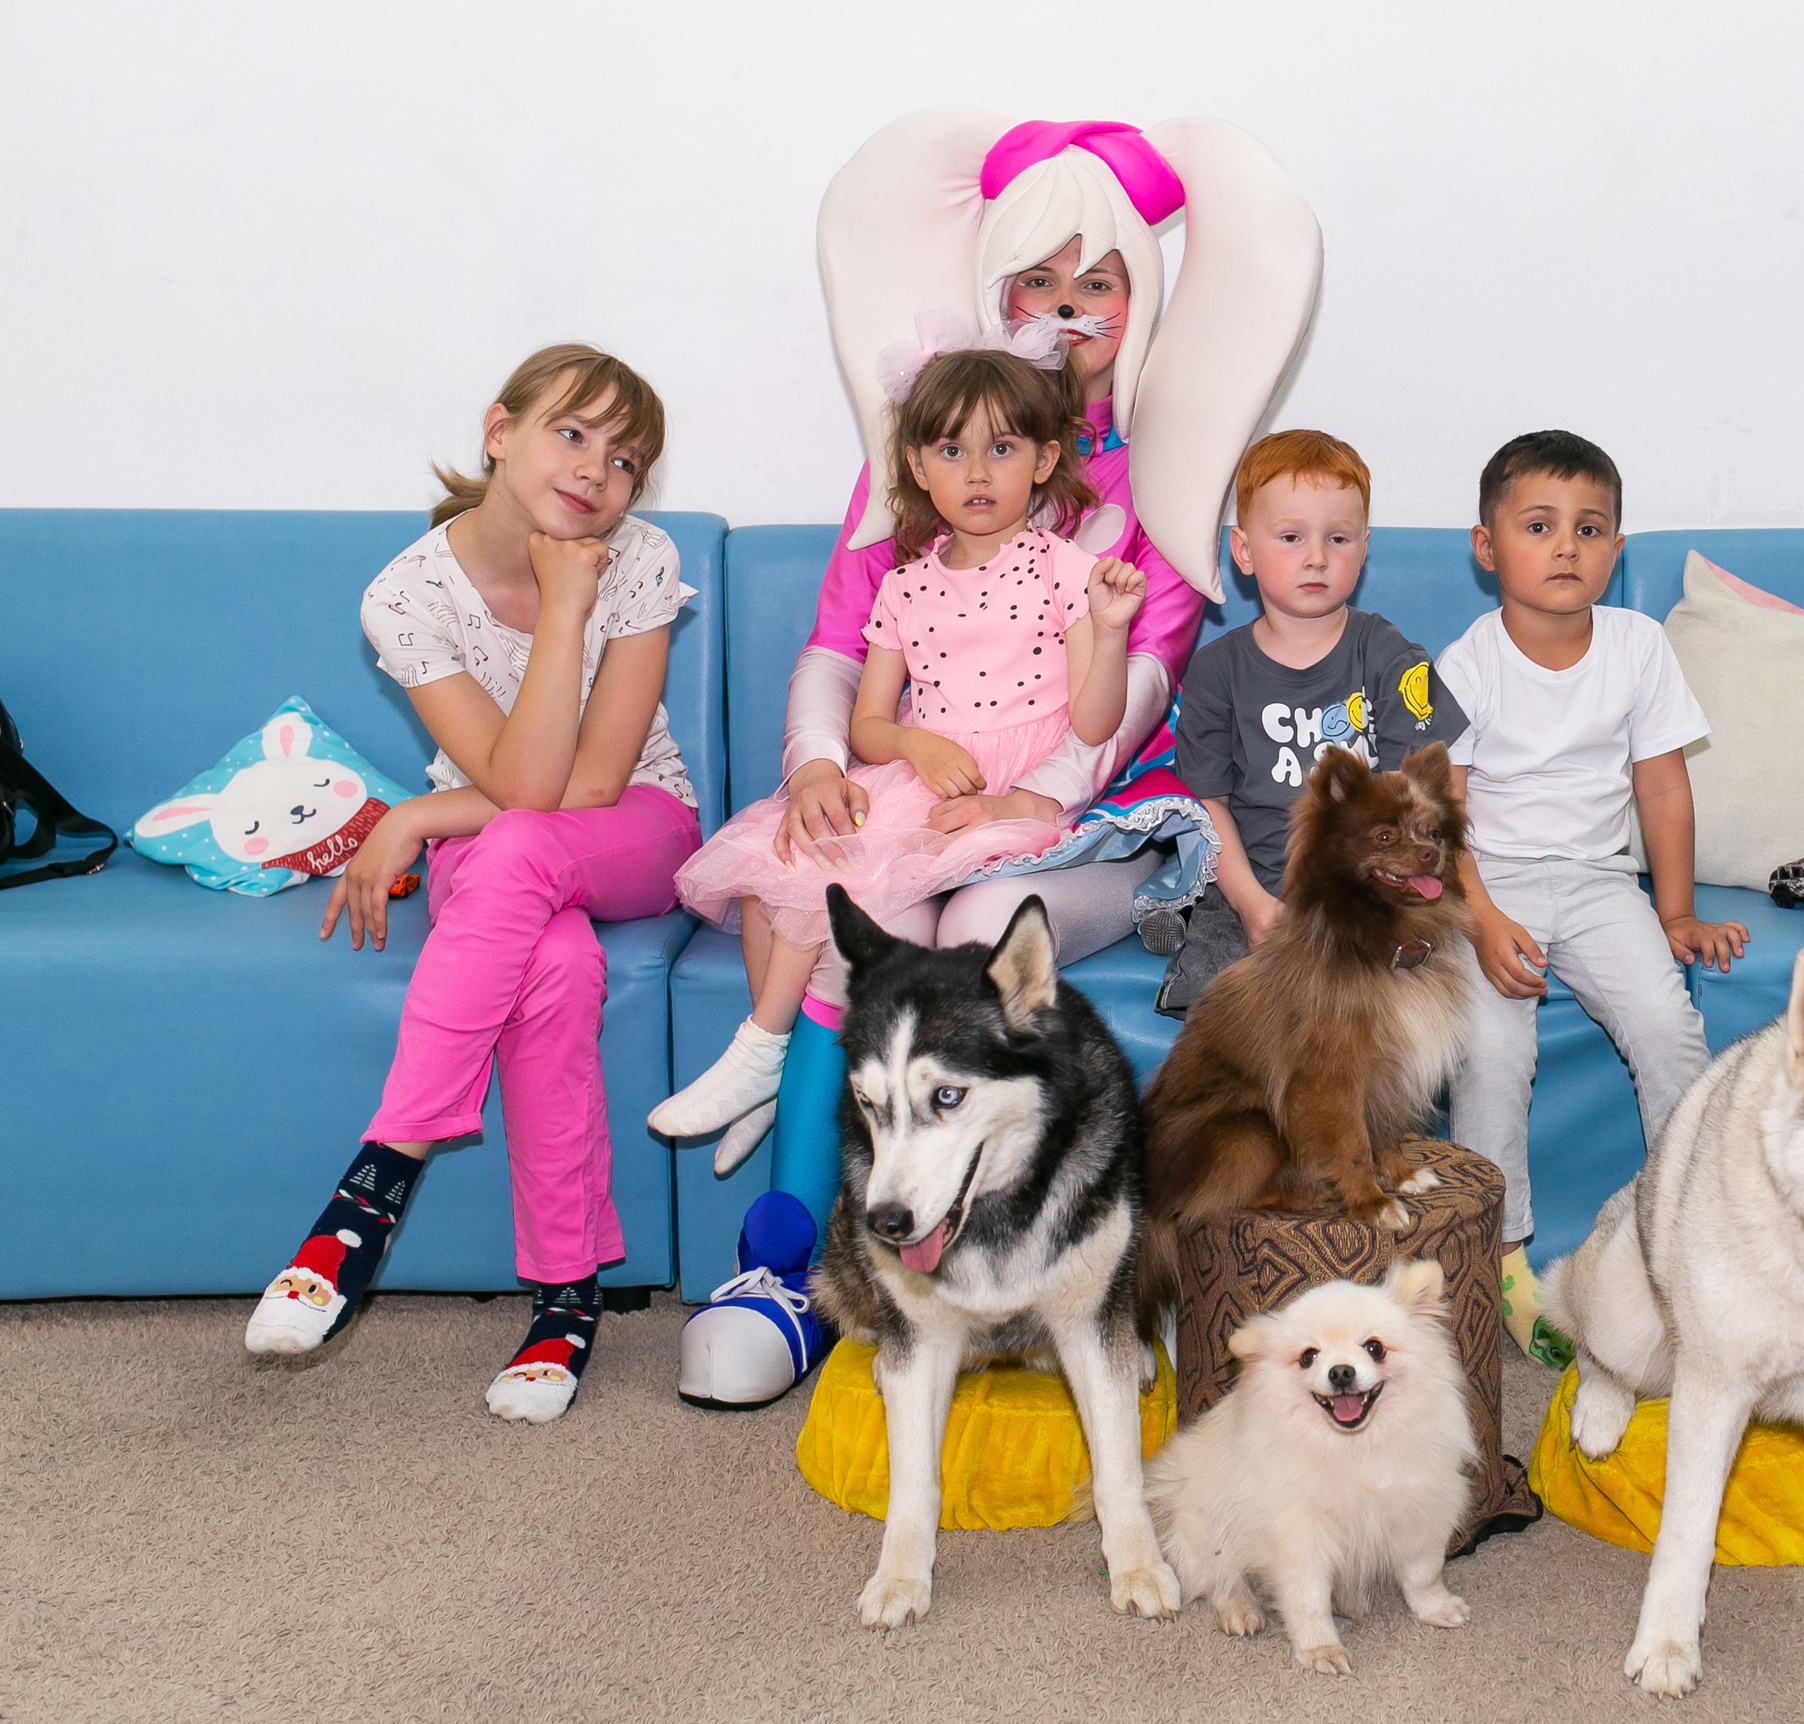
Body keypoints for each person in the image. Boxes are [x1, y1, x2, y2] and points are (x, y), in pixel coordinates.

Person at [669, 112, 1321, 1409]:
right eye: (1039, 284)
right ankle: (788, 1261)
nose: (1068, 314)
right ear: (993, 294)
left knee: (975, 917)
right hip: (926, 788)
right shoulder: (925, 470)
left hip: (1091, 817)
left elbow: (1132, 693)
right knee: (844, 893)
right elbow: (842, 649)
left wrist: (1042, 798)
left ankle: (1005, 1253)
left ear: (1139, 308)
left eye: (1098, 287)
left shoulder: (1163, 484)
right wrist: (814, 763)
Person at [242, 345, 699, 1425]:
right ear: (501, 429)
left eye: (626, 458)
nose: (597, 470)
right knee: (552, 965)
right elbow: (524, 786)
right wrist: (553, 607)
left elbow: (581, 784)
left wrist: (418, 810)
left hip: (633, 823)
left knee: (515, 849)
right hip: (506, 851)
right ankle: (566, 1298)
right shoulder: (404, 594)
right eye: (572, 432)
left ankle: (369, 1193)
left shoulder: (634, 559)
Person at [659, 341, 1143, 1135]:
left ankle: (760, 1057)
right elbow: (869, 725)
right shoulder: (904, 584)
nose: (977, 473)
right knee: (786, 862)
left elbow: (1093, 726)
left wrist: (1113, 630)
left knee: (843, 891)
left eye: (1002, 448)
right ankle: (767, 1071)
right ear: (918, 466)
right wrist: (916, 748)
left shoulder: (1066, 571)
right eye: (952, 450)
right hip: (922, 777)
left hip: (1009, 791)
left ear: (1044, 458)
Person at [1439, 431, 1749, 1366]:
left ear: (1616, 550)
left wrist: (1677, 912)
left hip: (1600, 883)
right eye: (1540, 526)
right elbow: (1439, 814)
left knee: (1667, 1025)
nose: (1567, 546)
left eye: (1590, 528)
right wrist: (1477, 917)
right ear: (1488, 546)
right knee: (1491, 1049)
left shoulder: (1637, 645)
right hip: (1490, 886)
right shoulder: (1465, 663)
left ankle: (1691, 1228)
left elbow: (1661, 788)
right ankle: (1499, 1254)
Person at [1157, 429, 1467, 1013]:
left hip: (1374, 886)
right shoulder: (1216, 670)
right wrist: (1252, 904)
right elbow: (1206, 805)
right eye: (1292, 537)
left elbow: (1429, 794)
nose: (1317, 557)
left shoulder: (1390, 655)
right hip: (1250, 885)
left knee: (1397, 1017)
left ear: (1365, 548)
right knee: (1220, 1015)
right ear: (1244, 552)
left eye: (1339, 538)